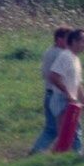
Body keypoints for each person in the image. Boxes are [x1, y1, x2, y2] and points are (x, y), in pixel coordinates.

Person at [29, 25, 76, 154]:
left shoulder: (49, 51)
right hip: (58, 94)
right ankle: (71, 153)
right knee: (65, 128)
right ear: (59, 39)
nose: (71, 42)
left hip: (49, 93)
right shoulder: (61, 54)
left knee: (52, 128)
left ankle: (37, 151)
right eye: (68, 39)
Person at [48, 29, 84, 153]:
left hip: (72, 102)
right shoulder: (65, 56)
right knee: (66, 134)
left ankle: (70, 157)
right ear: (73, 41)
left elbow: (78, 85)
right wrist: (68, 94)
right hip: (62, 100)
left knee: (74, 133)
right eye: (83, 42)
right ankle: (65, 159)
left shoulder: (76, 59)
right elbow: (53, 77)